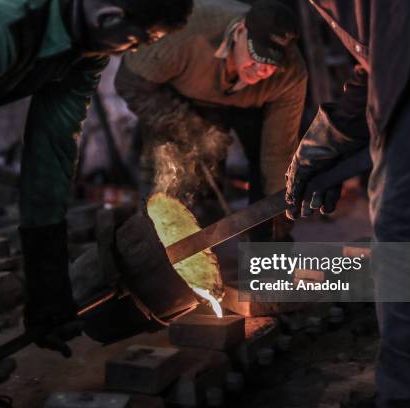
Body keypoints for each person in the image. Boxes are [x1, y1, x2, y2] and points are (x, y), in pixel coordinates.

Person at [0, 0, 193, 405]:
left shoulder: (89, 45)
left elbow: (53, 147)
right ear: (109, 15)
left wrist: (48, 286)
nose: (134, 51)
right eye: (141, 39)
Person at [284, 0, 410, 407]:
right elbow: (381, 50)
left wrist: (378, 134)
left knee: (403, 222)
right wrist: (341, 127)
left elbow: (400, 42)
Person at [115, 0, 307, 241]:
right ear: (239, 31)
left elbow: (279, 152)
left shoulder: (290, 76)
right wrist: (184, 125)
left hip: (250, 104)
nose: (260, 70)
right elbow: (130, 82)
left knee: (270, 175)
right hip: (183, 93)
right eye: (256, 57)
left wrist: (280, 215)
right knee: (181, 169)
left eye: (270, 65)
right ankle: (157, 249)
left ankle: (267, 251)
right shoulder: (184, 32)